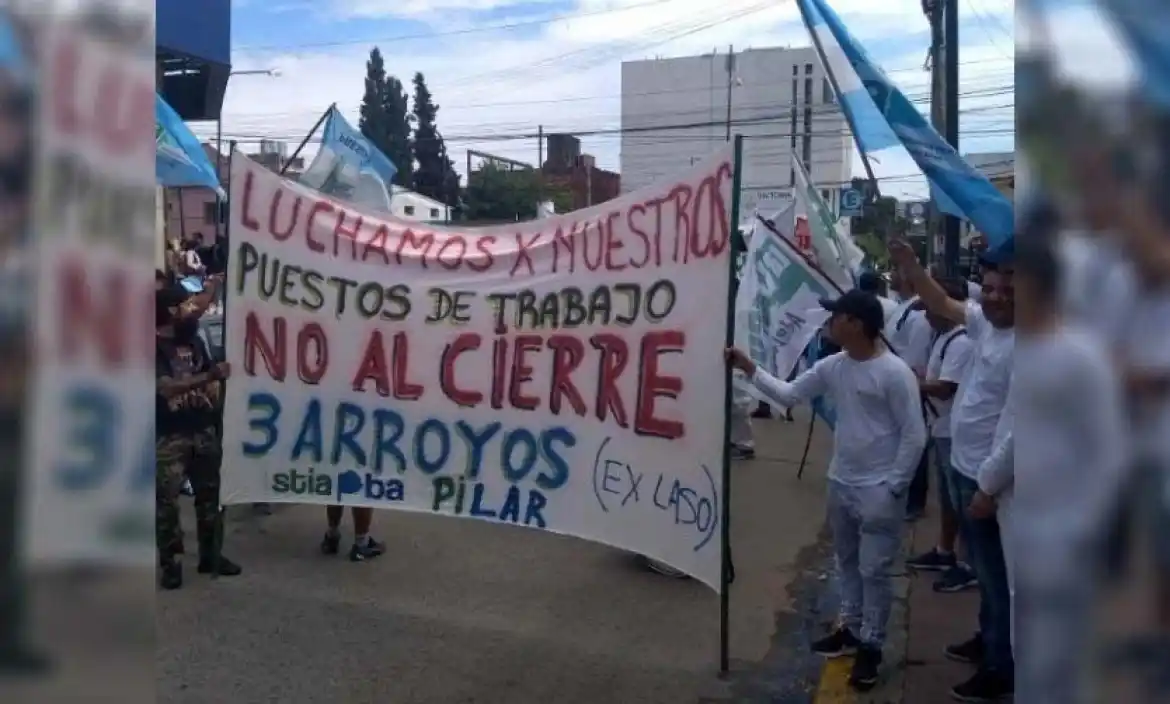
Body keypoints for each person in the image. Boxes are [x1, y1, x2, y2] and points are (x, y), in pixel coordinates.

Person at [726, 288, 926, 692]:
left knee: (875, 572)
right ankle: (849, 629)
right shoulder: (834, 366)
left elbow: (914, 435)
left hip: (879, 491)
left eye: (837, 316)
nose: (829, 323)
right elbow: (788, 394)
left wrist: (894, 485)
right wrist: (749, 369)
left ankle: (871, 644)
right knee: (847, 563)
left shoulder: (894, 373)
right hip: (843, 482)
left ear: (856, 323)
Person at [888, 238, 1015, 701]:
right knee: (984, 571)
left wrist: (987, 488)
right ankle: (990, 641)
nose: (998, 296)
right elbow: (941, 301)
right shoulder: (987, 327)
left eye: (1010, 290)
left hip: (993, 485)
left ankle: (1003, 665)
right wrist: (910, 265)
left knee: (1000, 578)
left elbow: (1018, 430)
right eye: (994, 288)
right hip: (966, 470)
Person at [156, 287, 242, 590]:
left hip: (202, 429)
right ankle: (171, 564)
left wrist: (212, 388)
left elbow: (208, 373)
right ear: (169, 311)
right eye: (186, 306)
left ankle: (211, 555)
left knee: (212, 496)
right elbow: (165, 388)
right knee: (166, 504)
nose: (193, 311)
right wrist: (209, 378)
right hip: (168, 436)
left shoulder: (193, 341)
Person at [904, 278, 978, 593]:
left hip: (952, 430)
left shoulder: (960, 341)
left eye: (930, 308)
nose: (926, 315)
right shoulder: (944, 338)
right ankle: (945, 551)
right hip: (942, 428)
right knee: (949, 500)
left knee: (962, 502)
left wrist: (908, 385)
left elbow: (946, 387)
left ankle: (969, 564)